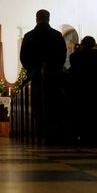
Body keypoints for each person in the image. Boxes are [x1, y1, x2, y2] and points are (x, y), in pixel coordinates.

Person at [19, 9, 67, 143]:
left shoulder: (29, 36)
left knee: (37, 106)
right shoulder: (57, 35)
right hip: (54, 77)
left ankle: (39, 132)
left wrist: (32, 70)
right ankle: (54, 134)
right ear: (49, 18)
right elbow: (63, 55)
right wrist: (55, 68)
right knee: (54, 105)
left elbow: (23, 57)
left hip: (35, 78)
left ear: (36, 19)